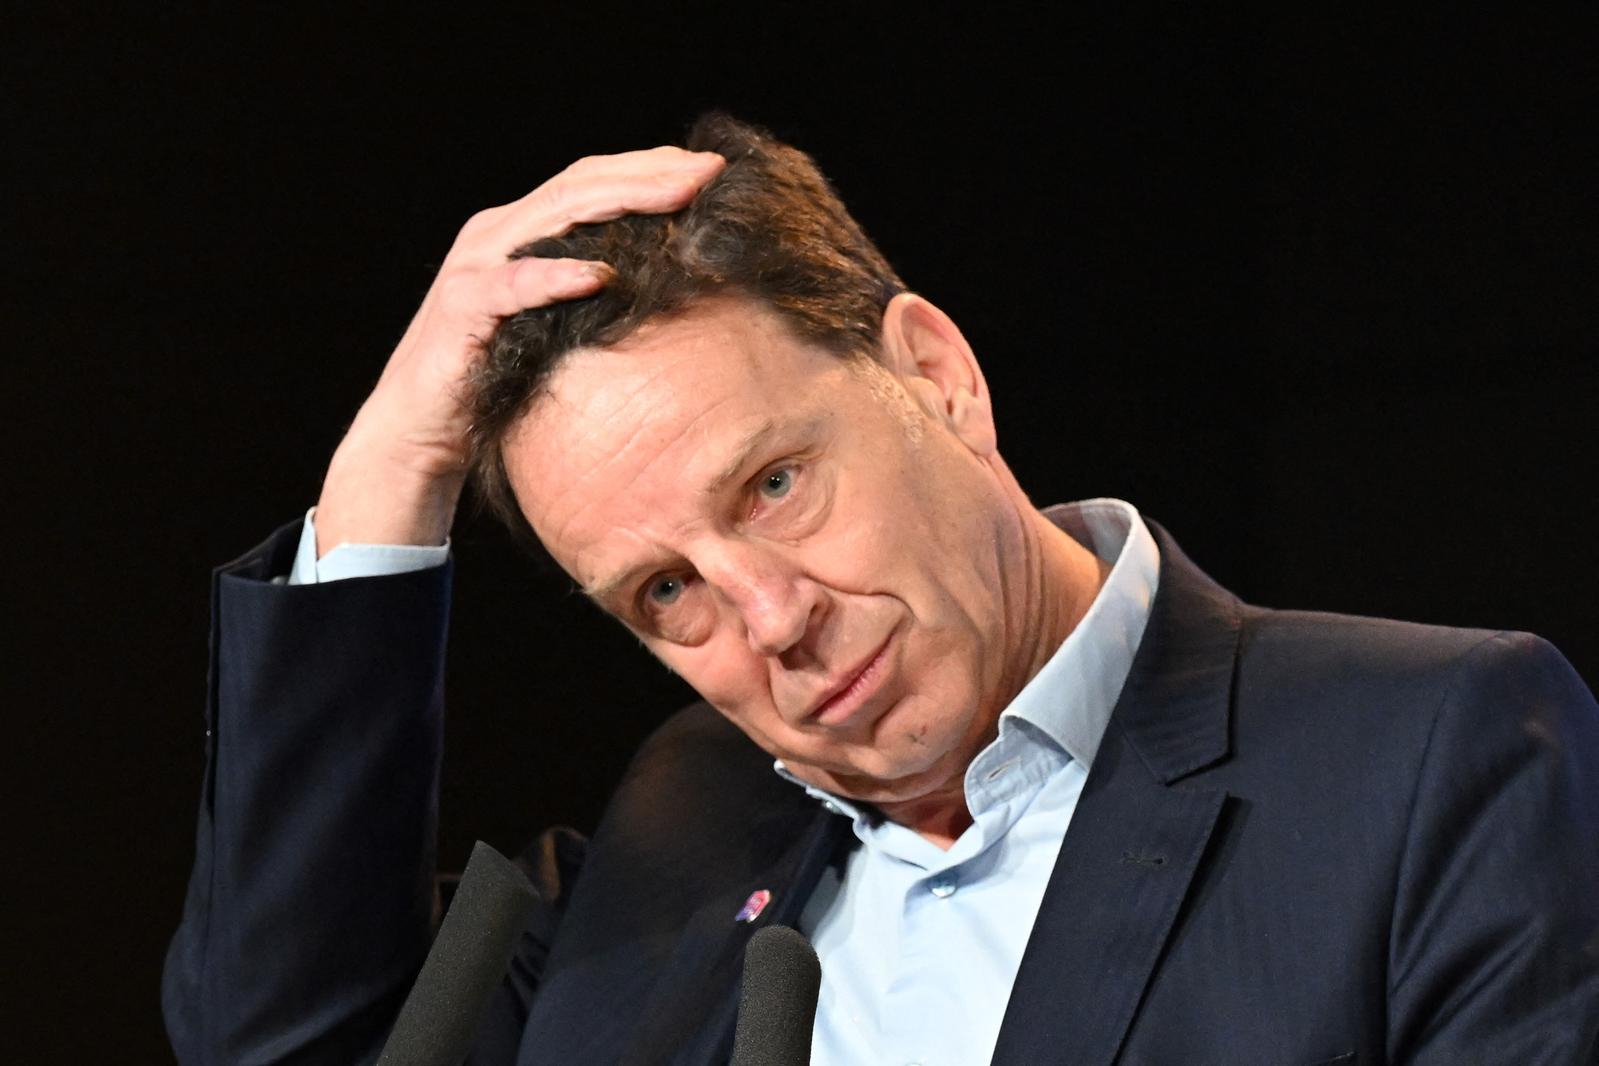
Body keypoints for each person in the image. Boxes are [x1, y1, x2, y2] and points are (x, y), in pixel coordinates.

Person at [164, 114, 1599, 1065]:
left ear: (936, 375)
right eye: (666, 591)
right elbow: (282, 1042)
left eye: (775, 484)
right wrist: (386, 477)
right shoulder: (684, 829)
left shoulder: (1427, 754)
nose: (772, 618)